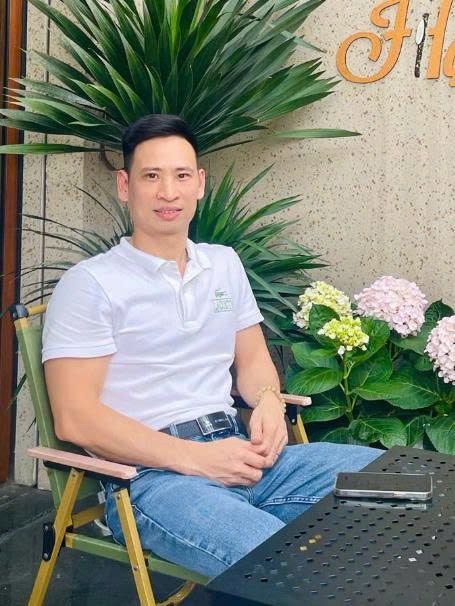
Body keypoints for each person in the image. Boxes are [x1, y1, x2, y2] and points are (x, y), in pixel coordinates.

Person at [42, 114, 380, 579]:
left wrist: (268, 402)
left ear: (199, 183)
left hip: (242, 454)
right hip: (154, 480)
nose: (168, 192)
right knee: (286, 566)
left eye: (181, 175)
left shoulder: (223, 265)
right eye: (151, 176)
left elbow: (254, 359)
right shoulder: (91, 284)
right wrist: (197, 460)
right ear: (124, 185)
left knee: (407, 486)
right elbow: (76, 417)